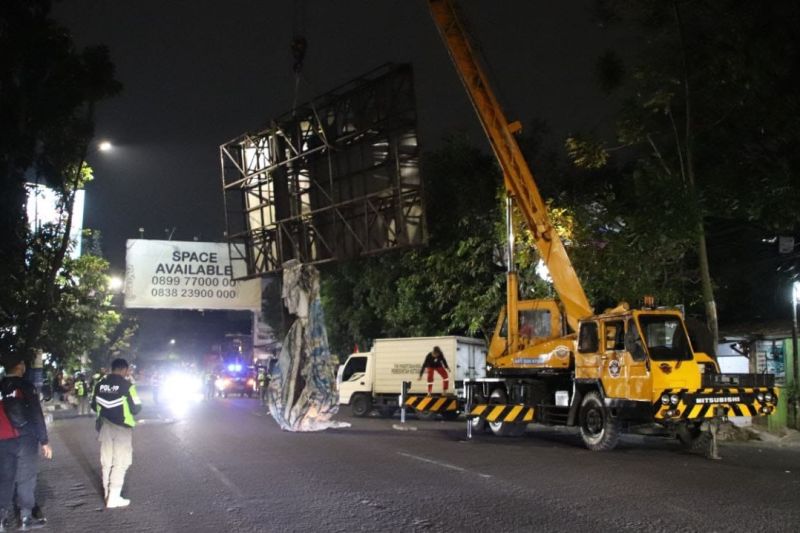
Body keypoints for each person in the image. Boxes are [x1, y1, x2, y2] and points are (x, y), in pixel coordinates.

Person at [0, 356, 52, 530]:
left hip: (2, 439)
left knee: (4, 479)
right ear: (19, 366)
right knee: (26, 478)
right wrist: (44, 440)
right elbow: (36, 414)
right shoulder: (25, 386)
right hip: (24, 438)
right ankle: (25, 519)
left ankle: (1, 520)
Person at [90, 358, 141, 508]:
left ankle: (107, 494)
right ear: (124, 370)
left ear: (112, 369)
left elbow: (94, 405)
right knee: (121, 462)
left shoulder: (99, 385)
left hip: (105, 426)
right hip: (122, 428)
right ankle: (114, 497)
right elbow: (136, 408)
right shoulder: (127, 386)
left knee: (107, 462)